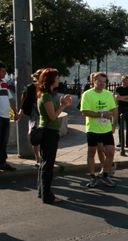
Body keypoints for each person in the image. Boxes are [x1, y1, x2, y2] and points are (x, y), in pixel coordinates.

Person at [36, 68, 72, 204]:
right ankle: (47, 195)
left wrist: (61, 102)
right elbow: (52, 116)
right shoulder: (46, 95)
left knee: (44, 163)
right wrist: (63, 106)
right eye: (56, 78)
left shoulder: (47, 94)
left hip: (47, 131)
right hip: (49, 131)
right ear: (50, 80)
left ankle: (42, 191)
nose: (59, 80)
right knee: (48, 165)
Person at [80, 72, 118, 188]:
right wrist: (101, 114)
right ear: (93, 81)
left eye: (104, 82)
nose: (102, 84)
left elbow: (114, 110)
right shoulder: (87, 94)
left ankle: (105, 175)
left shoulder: (108, 94)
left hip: (106, 129)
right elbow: (84, 112)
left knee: (110, 153)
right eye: (99, 81)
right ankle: (92, 177)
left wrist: (114, 125)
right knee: (91, 153)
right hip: (93, 129)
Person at [20, 69, 43, 167]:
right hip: (34, 112)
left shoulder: (44, 88)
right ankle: (37, 158)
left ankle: (40, 157)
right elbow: (24, 99)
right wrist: (21, 111)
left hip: (41, 112)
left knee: (42, 135)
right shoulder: (30, 88)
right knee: (34, 134)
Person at [0, 62, 19, 172]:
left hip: (5, 117)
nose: (5, 73)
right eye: (2, 70)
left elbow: (11, 100)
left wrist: (15, 112)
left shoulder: (4, 83)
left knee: (3, 141)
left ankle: (2, 163)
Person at [115, 75, 128, 148]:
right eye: (125, 80)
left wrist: (121, 98)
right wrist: (126, 97)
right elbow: (117, 98)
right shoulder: (118, 89)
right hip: (120, 108)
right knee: (121, 127)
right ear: (122, 80)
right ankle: (121, 142)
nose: (126, 82)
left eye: (127, 81)